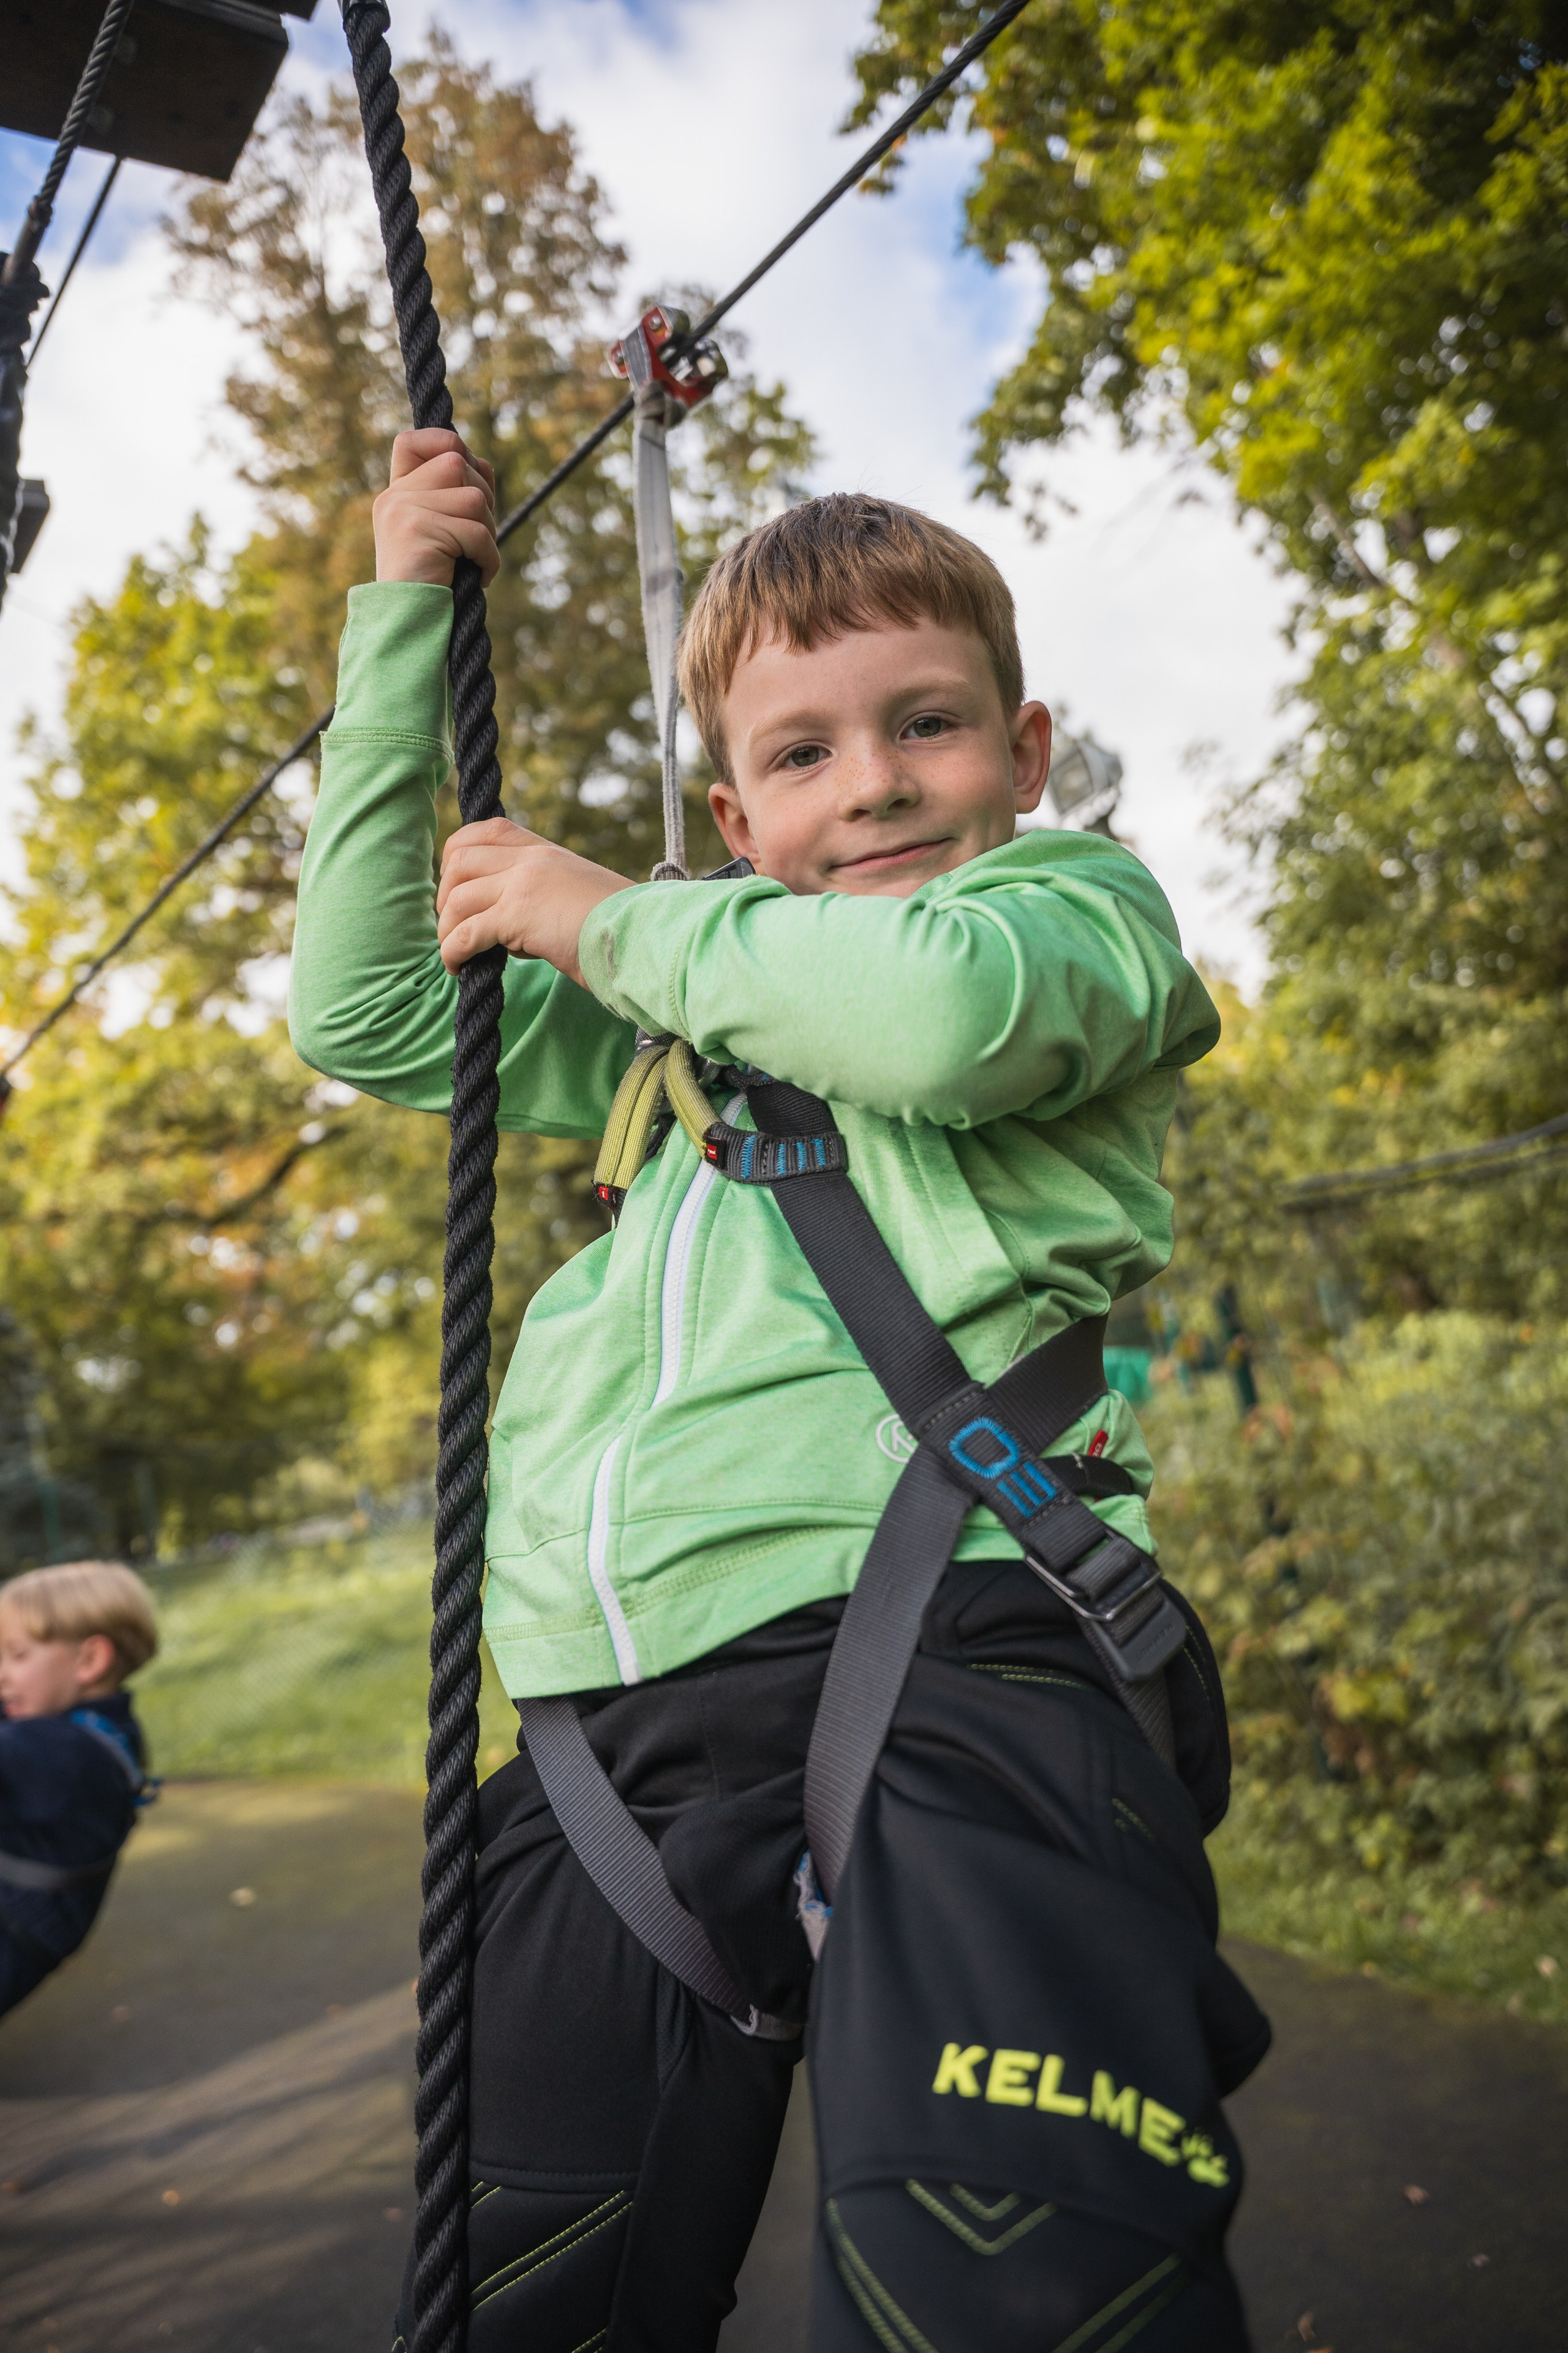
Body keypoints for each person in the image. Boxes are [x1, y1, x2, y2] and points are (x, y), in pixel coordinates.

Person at [290, 431, 1271, 2352]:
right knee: (517, 2288)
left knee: (1015, 2281)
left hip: (965, 1643)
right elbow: (372, 1011)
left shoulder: (1073, 914)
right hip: (618, 1729)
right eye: (804, 752)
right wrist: (405, 614)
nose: (878, 780)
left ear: (1027, 750)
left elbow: (928, 1013)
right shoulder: (691, 1044)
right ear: (736, 818)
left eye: (928, 724)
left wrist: (606, 914)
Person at [0, 1560, 159, 2019]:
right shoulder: (106, 1729)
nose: (3, 1673)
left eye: (18, 1656)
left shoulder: (59, 1753)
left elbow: (25, 1754)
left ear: (89, 1661)